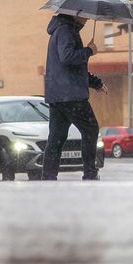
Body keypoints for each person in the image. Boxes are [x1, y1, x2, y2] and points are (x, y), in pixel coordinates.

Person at [42, 13, 109, 181]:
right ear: (76, 15)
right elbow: (68, 58)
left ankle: (48, 176)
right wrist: (89, 51)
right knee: (90, 129)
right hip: (71, 95)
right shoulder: (66, 30)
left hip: (58, 95)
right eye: (85, 16)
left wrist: (96, 83)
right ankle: (90, 173)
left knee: (56, 137)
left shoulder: (61, 30)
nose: (87, 20)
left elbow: (74, 71)